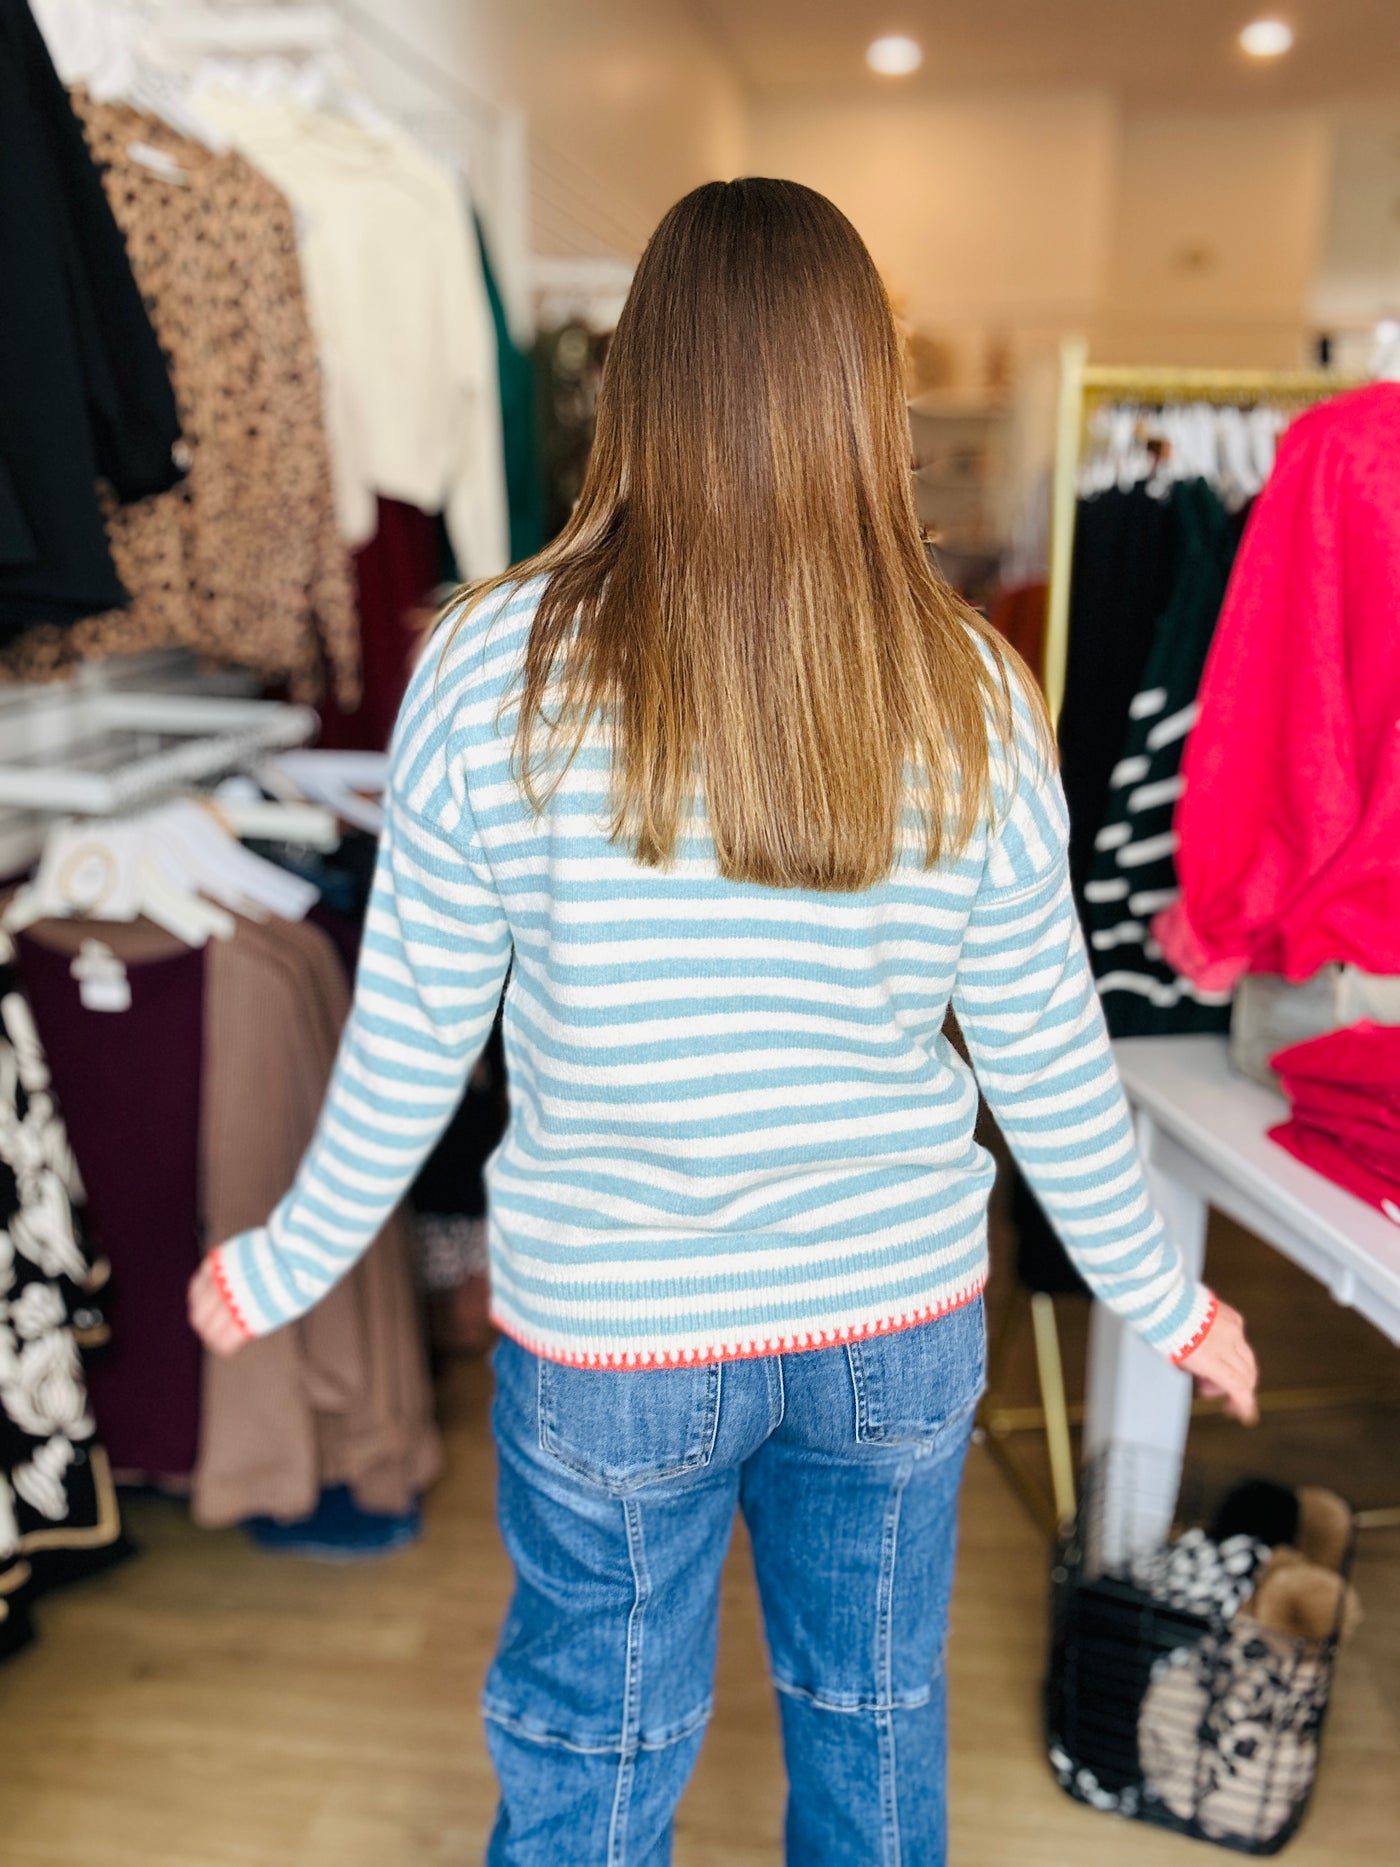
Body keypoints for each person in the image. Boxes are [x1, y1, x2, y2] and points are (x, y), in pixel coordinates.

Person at [190, 178, 1258, 1866]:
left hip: (616, 1334)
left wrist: (287, 1258)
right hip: (893, 1325)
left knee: (592, 1755)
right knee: (878, 1724)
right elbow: (1048, 1048)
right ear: (865, 395)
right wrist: (1163, 1296)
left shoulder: (491, 668)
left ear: (638, 389)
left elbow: (409, 1036)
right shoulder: (967, 680)